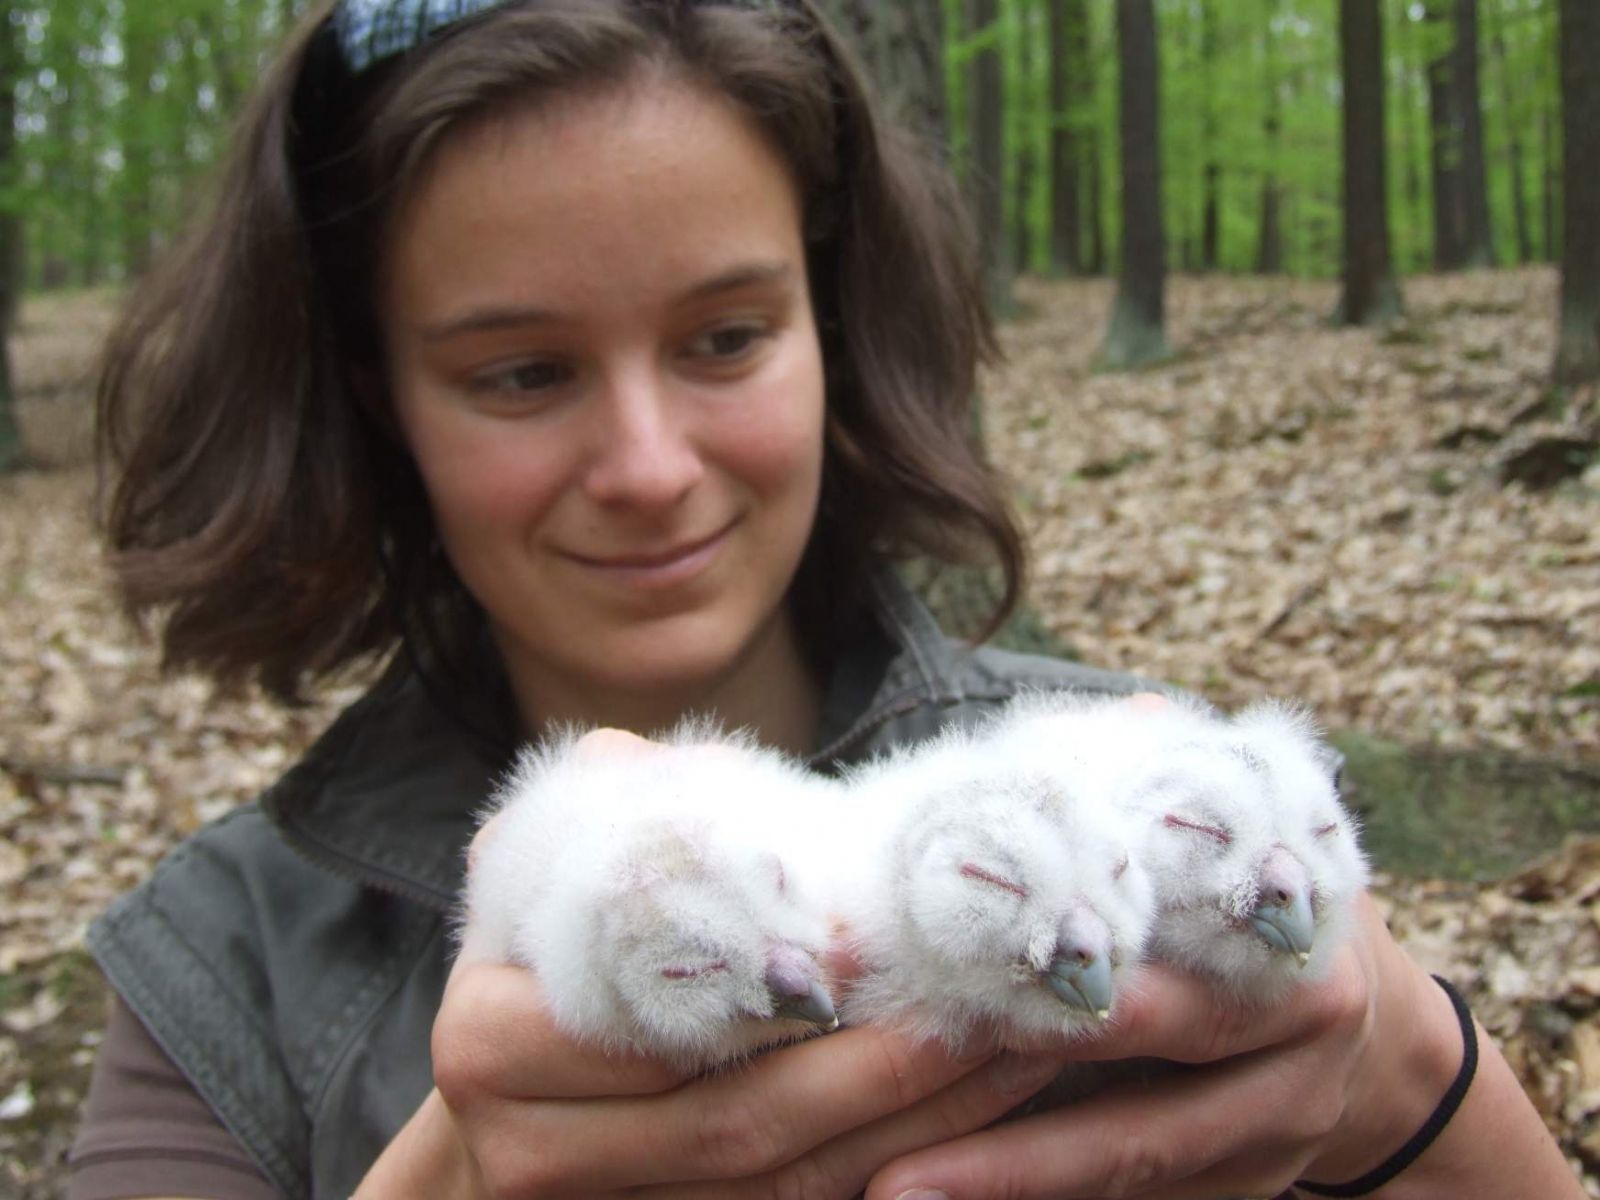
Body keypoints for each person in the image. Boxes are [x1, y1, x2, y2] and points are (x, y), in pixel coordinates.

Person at [72, 1, 1583, 1198]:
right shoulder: (232, 962)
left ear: (830, 324)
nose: (650, 466)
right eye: (522, 372)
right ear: (381, 396)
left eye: (725, 338)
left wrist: (1405, 1087)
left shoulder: (1129, 797)